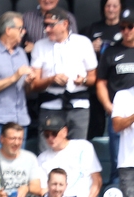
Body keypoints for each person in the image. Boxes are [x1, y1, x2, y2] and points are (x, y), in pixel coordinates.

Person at [30, 7, 98, 148]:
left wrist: (83, 81)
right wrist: (51, 79)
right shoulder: (39, 46)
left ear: (65, 24)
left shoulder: (83, 42)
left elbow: (93, 78)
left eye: (51, 25)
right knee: (47, 151)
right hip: (50, 105)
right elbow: (34, 84)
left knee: (78, 151)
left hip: (78, 104)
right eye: (45, 25)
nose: (47, 29)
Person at [0, 12, 32, 152]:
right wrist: (14, 77)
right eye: (20, 29)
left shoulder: (21, 54)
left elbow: (26, 90)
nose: (24, 32)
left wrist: (29, 82)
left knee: (18, 170)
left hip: (20, 121)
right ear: (8, 30)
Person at [96, 6, 134, 188]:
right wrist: (108, 106)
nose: (126, 31)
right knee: (118, 161)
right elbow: (101, 81)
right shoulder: (111, 51)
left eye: (130, 26)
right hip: (120, 110)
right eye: (123, 27)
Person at [37, 113, 103, 197]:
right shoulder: (42, 158)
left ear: (64, 131)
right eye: (46, 135)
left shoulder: (84, 147)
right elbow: (43, 190)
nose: (50, 138)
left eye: (54, 133)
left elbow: (96, 180)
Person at [85, 0, 123, 146]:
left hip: (119, 85)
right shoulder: (94, 28)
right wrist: (91, 47)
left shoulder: (126, 29)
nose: (111, 9)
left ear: (120, 8)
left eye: (115, 6)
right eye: (108, 6)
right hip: (96, 86)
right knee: (96, 131)